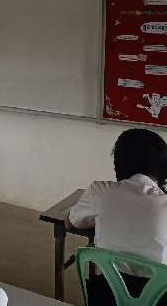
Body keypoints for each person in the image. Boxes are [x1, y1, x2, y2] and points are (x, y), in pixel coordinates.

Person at [66, 128, 167, 305]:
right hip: (160, 297)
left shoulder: (99, 191)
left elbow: (70, 223)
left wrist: (101, 219)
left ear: (120, 161)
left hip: (108, 294)